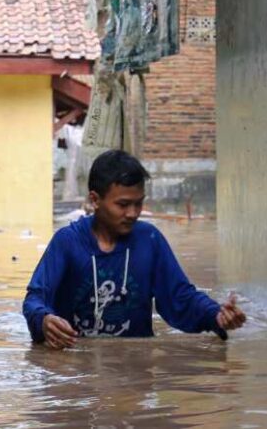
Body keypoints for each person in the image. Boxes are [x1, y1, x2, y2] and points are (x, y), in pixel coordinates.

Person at [22, 150, 246, 349]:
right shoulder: (67, 242)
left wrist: (216, 314)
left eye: (138, 203)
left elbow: (180, 297)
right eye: (123, 204)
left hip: (135, 365)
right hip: (76, 369)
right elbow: (35, 298)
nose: (133, 213)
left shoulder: (149, 240)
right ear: (95, 200)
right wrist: (44, 320)